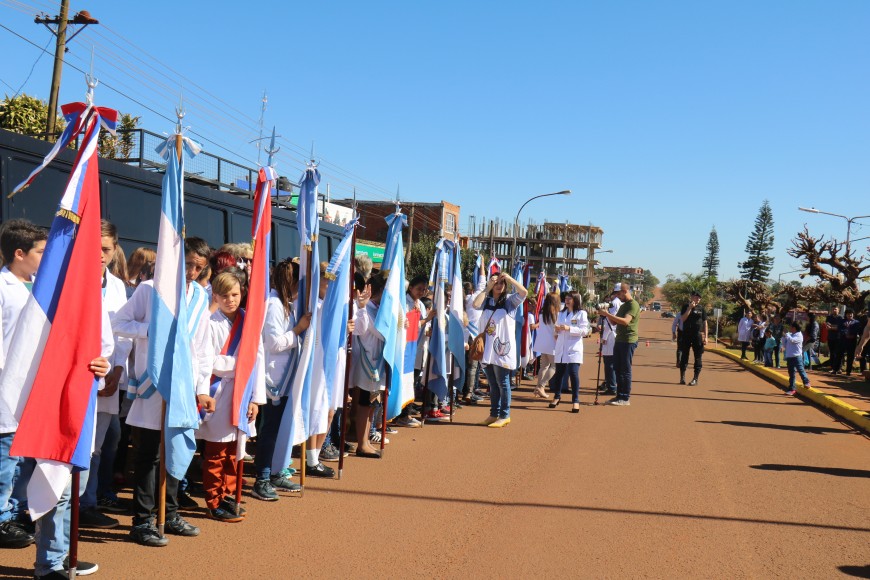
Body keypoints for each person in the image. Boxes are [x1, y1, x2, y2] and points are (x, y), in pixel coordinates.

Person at [112, 237, 212, 547]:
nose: (192, 271)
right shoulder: (149, 289)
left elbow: (202, 348)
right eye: (189, 264)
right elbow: (120, 322)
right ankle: (142, 521)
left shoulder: (199, 297)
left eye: (199, 267)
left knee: (175, 450)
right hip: (150, 385)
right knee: (147, 456)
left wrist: (202, 388)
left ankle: (169, 513)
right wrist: (148, 331)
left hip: (182, 390)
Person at [196, 271, 265, 522]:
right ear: (214, 295)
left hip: (243, 394)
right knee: (216, 451)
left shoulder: (249, 321)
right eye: (224, 295)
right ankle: (213, 500)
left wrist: (256, 399)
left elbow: (259, 359)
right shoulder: (209, 322)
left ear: (242, 293)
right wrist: (240, 364)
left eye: (235, 294)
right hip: (219, 391)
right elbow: (207, 361)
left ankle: (228, 493)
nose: (230, 300)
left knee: (236, 450)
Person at [78, 220, 132, 531]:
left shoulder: (116, 286)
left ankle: (88, 503)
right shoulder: (71, 280)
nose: (100, 254)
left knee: (97, 446)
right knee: (76, 446)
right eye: (95, 247)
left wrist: (118, 369)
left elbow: (121, 333)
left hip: (108, 378)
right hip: (79, 377)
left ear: (114, 251)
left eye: (106, 249)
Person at [0, 219, 46, 549]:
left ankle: (15, 512)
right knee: (6, 457)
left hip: (32, 388)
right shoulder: (3, 288)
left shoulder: (35, 286)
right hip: (7, 387)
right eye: (41, 252)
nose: (46, 257)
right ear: (19, 253)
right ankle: (1, 519)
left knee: (25, 456)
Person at [254, 259, 307, 501]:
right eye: (299, 284)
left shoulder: (286, 304)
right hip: (272, 378)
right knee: (270, 430)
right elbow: (273, 343)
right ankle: (262, 478)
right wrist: (297, 332)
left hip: (285, 378)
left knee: (280, 429)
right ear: (291, 283)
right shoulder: (274, 304)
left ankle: (275, 471)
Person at [472, 271, 528, 427]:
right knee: (493, 383)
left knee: (503, 382)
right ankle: (493, 414)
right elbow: (475, 304)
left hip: (501, 349)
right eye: (496, 283)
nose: (499, 286)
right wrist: (487, 287)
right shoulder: (487, 300)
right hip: (487, 349)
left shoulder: (510, 301)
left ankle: (505, 415)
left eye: (501, 283)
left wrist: (510, 278)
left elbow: (524, 292)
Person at [597, 283, 640, 406]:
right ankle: (619, 396)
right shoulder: (623, 305)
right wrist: (605, 313)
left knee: (625, 370)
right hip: (620, 339)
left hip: (628, 340)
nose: (617, 296)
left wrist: (608, 315)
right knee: (617, 368)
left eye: (618, 293)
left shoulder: (633, 305)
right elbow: (614, 323)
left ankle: (625, 397)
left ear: (625, 291)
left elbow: (626, 321)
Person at [548, 291, 590, 413]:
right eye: (565, 299)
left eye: (569, 299)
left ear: (575, 300)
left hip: (573, 348)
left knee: (573, 373)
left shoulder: (581, 313)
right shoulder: (561, 313)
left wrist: (569, 328)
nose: (566, 301)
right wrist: (556, 330)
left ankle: (575, 400)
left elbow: (584, 331)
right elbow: (556, 327)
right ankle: (556, 397)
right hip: (561, 347)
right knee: (559, 373)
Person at [531, 292, 559, 399]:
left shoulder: (543, 313)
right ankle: (541, 386)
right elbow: (555, 331)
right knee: (554, 366)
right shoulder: (556, 314)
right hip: (552, 343)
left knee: (544, 366)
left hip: (542, 343)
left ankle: (538, 387)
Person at [678, 290, 708, 385]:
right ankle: (682, 377)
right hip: (686, 334)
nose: (698, 299)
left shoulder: (702, 309)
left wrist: (706, 337)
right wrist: (689, 308)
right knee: (684, 356)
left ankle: (695, 379)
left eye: (699, 298)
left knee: (698, 357)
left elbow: (705, 323)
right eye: (696, 297)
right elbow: (683, 319)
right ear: (691, 297)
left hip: (697, 335)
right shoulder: (685, 307)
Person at [782, 321, 811, 395]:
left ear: (794, 328)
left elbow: (792, 341)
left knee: (801, 370)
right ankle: (792, 389)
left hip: (797, 357)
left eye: (791, 327)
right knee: (791, 373)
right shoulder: (790, 335)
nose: (790, 328)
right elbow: (785, 344)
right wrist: (783, 337)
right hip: (790, 357)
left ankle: (806, 382)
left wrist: (787, 335)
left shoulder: (799, 335)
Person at [839, 309, 861, 376]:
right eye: (848, 314)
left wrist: (851, 335)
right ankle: (837, 369)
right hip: (843, 340)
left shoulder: (856, 322)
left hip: (852, 341)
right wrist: (846, 334)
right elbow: (840, 329)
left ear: (853, 314)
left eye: (851, 314)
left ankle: (848, 371)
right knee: (839, 355)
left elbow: (857, 330)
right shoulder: (842, 321)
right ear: (846, 315)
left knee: (850, 356)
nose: (850, 315)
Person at [825, 306, 844, 374]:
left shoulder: (841, 318)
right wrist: (835, 327)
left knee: (838, 353)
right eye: (833, 309)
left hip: (839, 338)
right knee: (832, 353)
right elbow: (827, 326)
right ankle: (833, 368)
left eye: (835, 309)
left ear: (838, 310)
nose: (834, 310)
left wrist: (832, 327)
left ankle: (839, 368)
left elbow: (840, 327)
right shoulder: (829, 317)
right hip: (830, 338)